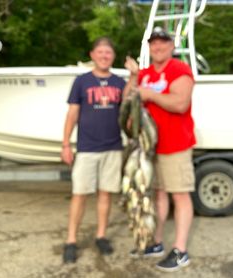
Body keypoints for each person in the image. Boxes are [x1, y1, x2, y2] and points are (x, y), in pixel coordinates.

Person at [124, 26, 196, 272]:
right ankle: (156, 243)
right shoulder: (144, 74)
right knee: (159, 195)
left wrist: (150, 96)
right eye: (153, 43)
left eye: (163, 42)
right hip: (149, 148)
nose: (158, 47)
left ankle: (180, 251)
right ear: (149, 47)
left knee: (180, 195)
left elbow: (180, 103)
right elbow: (127, 101)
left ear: (172, 46)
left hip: (175, 146)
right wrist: (133, 77)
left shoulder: (180, 70)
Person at [61, 37, 126, 264]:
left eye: (108, 53)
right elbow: (72, 114)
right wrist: (66, 144)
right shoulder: (81, 81)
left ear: (113, 57)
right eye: (100, 52)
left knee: (105, 193)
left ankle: (101, 235)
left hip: (113, 147)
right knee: (79, 195)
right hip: (87, 148)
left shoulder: (120, 83)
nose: (104, 56)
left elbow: (128, 113)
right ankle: (71, 240)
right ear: (92, 55)